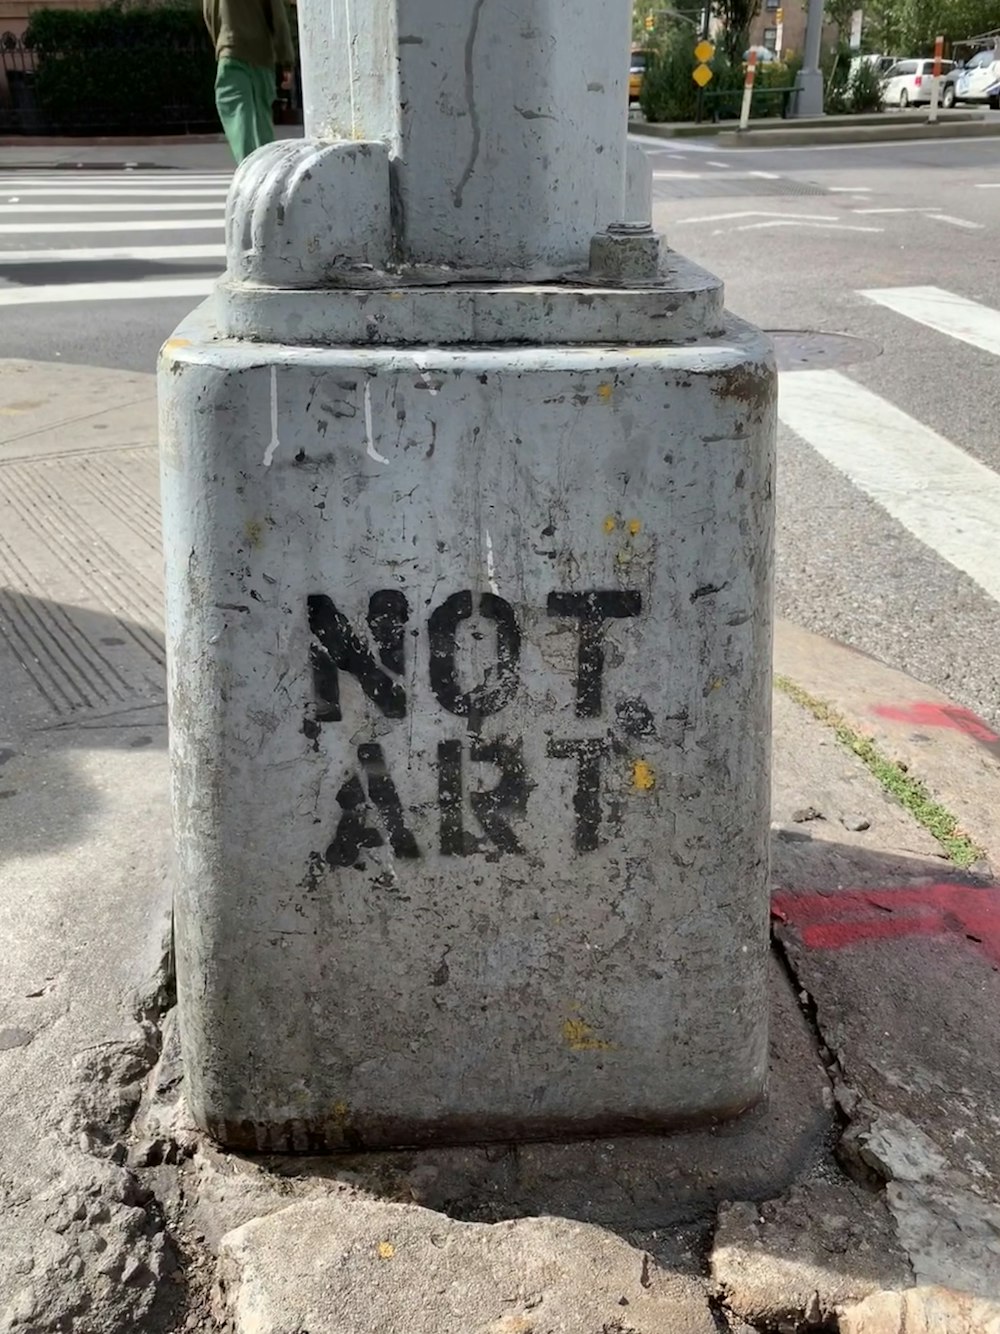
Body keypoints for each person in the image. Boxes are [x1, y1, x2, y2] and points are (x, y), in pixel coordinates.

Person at [203, 0, 296, 165]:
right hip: (261, 55)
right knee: (261, 119)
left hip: (230, 50)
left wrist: (220, 45)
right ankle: (267, 169)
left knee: (238, 114)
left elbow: (210, 15)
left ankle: (249, 168)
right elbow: (278, 17)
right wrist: (286, 60)